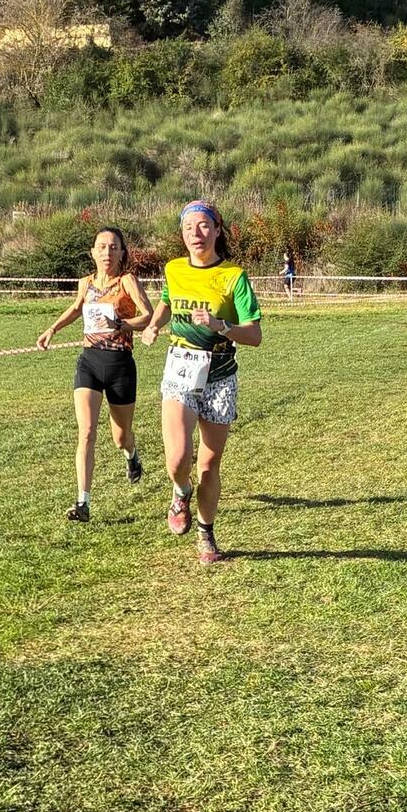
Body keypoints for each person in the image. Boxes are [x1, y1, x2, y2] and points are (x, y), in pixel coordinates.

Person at [141, 200, 262, 565]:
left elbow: (254, 335)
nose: (196, 233)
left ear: (217, 230)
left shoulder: (234, 276)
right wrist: (154, 325)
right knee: (178, 458)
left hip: (220, 376)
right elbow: (167, 301)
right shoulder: (174, 269)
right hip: (180, 369)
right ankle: (181, 491)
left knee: (209, 465)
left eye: (204, 225)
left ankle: (206, 532)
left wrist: (220, 325)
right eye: (188, 227)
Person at [36, 227, 153, 523]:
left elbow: (148, 315)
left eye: (113, 247)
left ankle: (131, 455)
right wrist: (52, 329)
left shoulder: (127, 281)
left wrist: (123, 324)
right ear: (92, 252)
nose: (107, 253)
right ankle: (83, 502)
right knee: (86, 432)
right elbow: (77, 308)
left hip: (120, 366)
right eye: (101, 247)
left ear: (122, 252)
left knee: (120, 437)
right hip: (89, 362)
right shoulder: (85, 283)